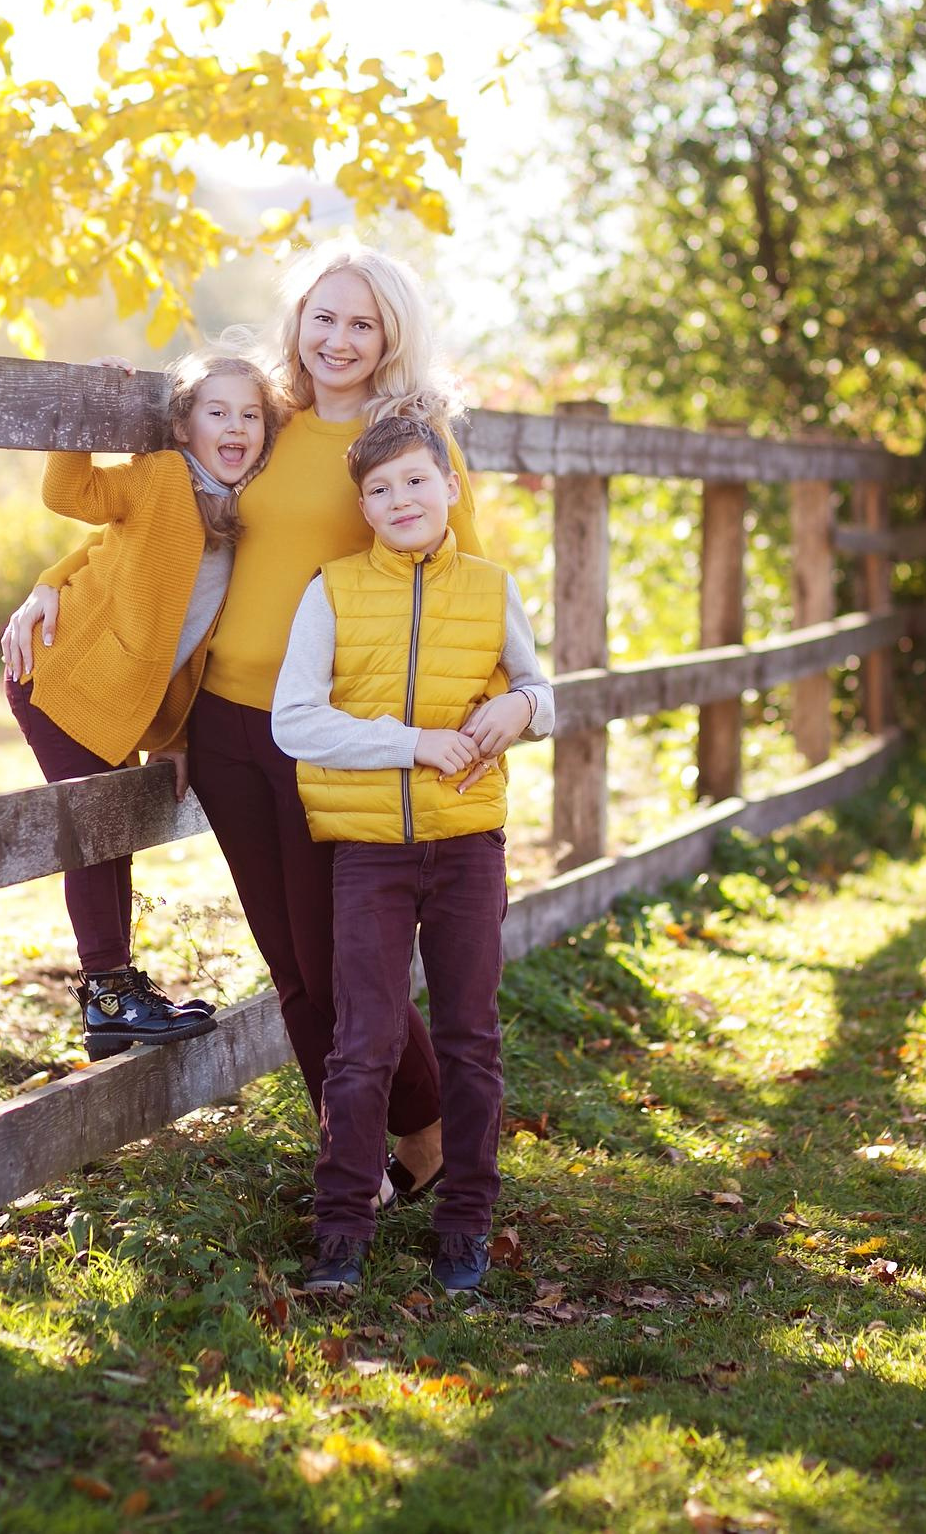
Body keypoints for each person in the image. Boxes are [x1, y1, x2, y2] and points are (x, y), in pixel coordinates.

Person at [1, 241, 490, 1206]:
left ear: (390, 336)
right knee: (290, 966)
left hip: (329, 730)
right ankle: (353, 1160)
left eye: (363, 323)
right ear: (298, 323)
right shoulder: (263, 422)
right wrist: (51, 583)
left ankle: (426, 1130)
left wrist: (482, 702)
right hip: (223, 726)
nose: (339, 339)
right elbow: (156, 533)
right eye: (324, 317)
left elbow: (462, 571)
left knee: (337, 958)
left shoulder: (405, 436)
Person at [270, 410, 554, 1293]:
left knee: (470, 1037)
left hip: (467, 847)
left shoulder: (493, 587)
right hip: (369, 854)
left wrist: (520, 708)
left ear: (450, 487)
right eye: (380, 488)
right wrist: (413, 743)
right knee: (363, 1040)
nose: (400, 499)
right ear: (362, 507)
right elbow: (294, 720)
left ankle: (466, 1221)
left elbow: (542, 691)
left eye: (416, 480)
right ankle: (342, 1229)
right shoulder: (332, 589)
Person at [0, 345, 284, 1059]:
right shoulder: (160, 477)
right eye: (217, 412)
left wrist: (175, 737)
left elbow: (192, 640)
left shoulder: (246, 508)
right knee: (96, 829)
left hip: (117, 699)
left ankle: (116, 993)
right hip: (63, 677)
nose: (236, 426)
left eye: (251, 415)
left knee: (113, 836)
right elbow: (72, 496)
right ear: (183, 427)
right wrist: (86, 400)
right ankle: (106, 993)